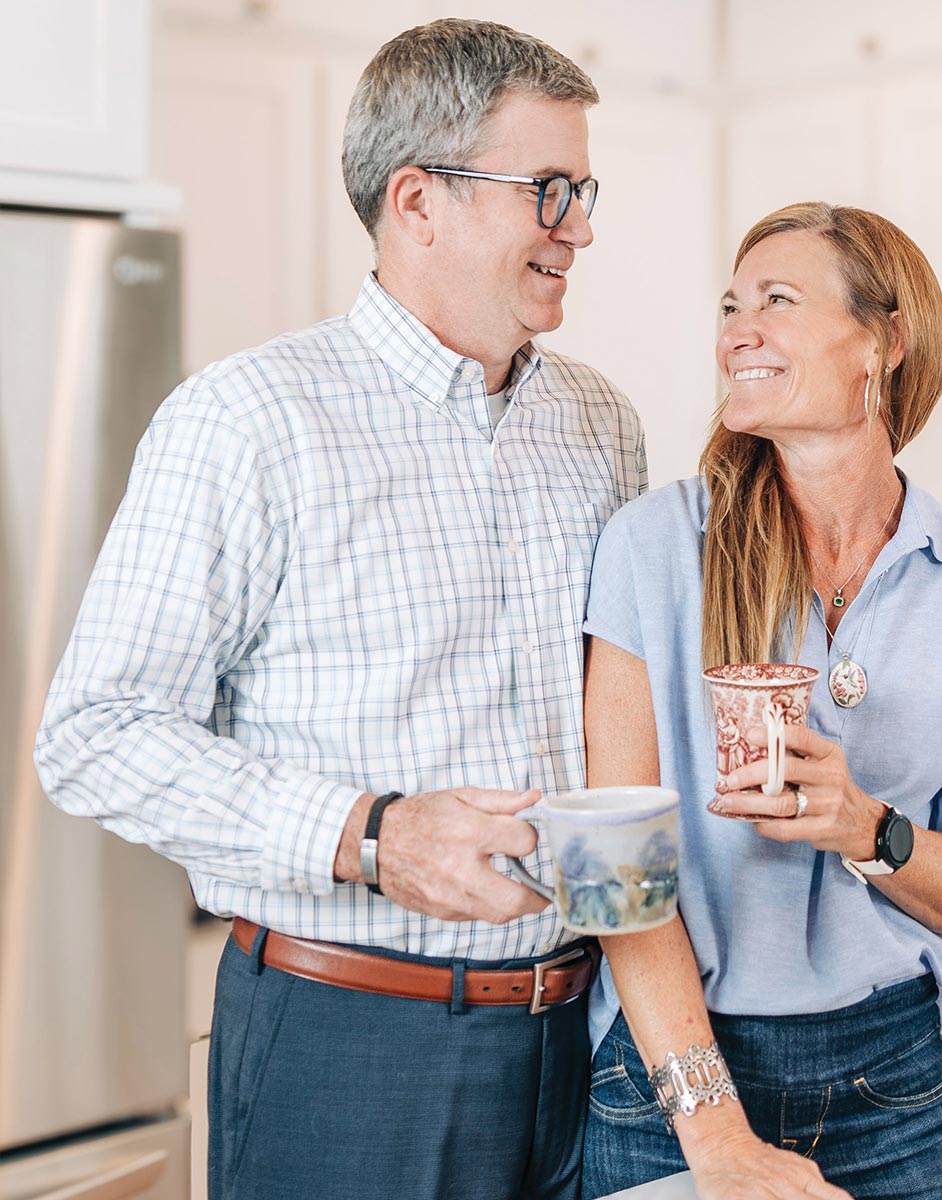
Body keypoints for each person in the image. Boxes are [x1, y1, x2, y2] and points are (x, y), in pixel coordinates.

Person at [35, 19, 639, 1200]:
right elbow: (92, 734)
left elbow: (611, 716)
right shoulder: (249, 419)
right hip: (349, 1044)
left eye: (585, 190)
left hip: (583, 1035)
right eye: (551, 190)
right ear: (419, 201)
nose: (581, 228)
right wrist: (372, 832)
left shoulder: (600, 423)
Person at [580, 202, 942, 1199]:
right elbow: (610, 875)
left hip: (886, 1080)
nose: (737, 331)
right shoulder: (656, 546)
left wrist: (868, 829)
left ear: (884, 343)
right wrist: (716, 1134)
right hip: (673, 1077)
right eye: (731, 304)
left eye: (777, 300)